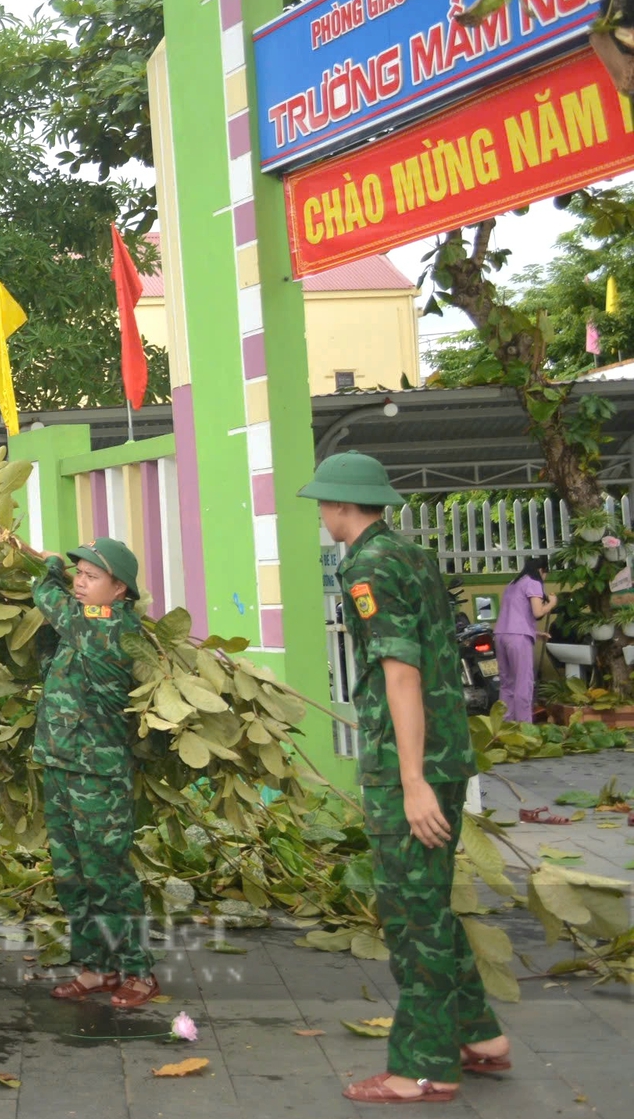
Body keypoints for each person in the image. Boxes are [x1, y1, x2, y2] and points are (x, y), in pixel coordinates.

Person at [302, 451, 508, 1104]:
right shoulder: (409, 554)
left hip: (409, 764)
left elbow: (401, 671)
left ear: (338, 505)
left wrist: (412, 780)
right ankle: (480, 1036)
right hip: (444, 749)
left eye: (323, 505)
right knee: (429, 901)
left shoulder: (366, 566)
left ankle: (424, 1068)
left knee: (411, 912)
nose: (322, 515)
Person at [31, 536, 159, 1008]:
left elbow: (48, 600)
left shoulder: (108, 627)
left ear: (119, 589)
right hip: (61, 765)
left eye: (90, 577)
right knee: (72, 876)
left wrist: (48, 571)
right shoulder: (82, 626)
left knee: (108, 876)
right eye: (76, 574)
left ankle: (138, 972)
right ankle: (96, 967)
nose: (79, 584)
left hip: (99, 776)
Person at [494, 557, 554, 724]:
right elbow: (538, 612)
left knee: (507, 684)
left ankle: (505, 725)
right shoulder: (534, 582)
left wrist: (536, 632)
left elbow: (515, 613)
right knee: (523, 683)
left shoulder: (513, 583)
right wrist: (552, 604)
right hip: (518, 638)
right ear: (542, 570)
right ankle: (524, 726)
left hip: (501, 635)